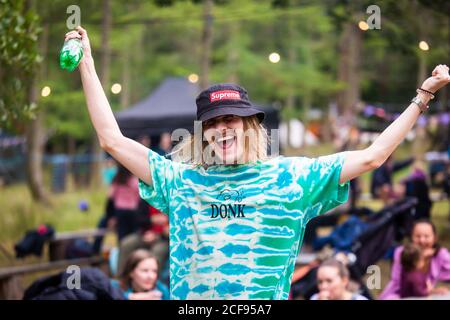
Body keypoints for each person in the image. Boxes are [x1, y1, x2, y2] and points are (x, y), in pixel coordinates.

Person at [65, 26, 450, 299]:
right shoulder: (181, 181)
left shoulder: (291, 177)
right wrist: (88, 64)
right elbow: (112, 140)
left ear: (250, 125)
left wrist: (422, 96)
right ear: (203, 135)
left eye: (231, 118)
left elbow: (371, 157)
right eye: (213, 123)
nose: (223, 129)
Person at [380, 219, 450, 299]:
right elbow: (401, 283)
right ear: (411, 237)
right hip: (398, 295)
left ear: (434, 238)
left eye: (426, 236)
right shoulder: (402, 252)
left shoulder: (440, 254)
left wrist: (434, 291)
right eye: (417, 236)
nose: (422, 240)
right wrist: (421, 256)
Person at [109, 165, 143, 241]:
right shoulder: (134, 180)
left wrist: (111, 215)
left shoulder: (117, 180)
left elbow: (111, 196)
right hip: (133, 210)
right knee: (133, 235)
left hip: (120, 210)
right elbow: (139, 196)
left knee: (121, 234)